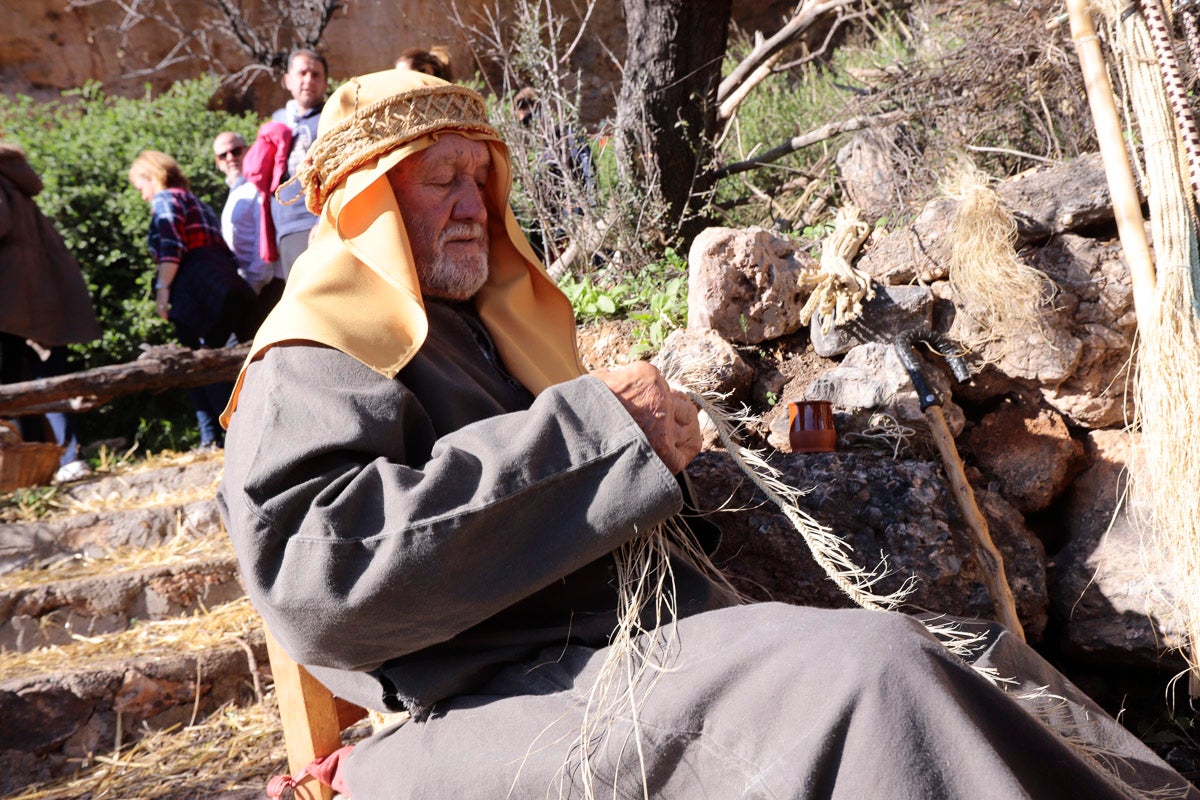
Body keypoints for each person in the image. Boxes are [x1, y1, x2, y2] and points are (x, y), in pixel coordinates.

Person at [216, 70, 1199, 799]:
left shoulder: (484, 331)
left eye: (484, 177)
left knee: (977, 652)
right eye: (443, 183)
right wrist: (603, 434)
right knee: (867, 676)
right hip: (501, 701)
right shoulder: (316, 358)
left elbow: (574, 496)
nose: (477, 205)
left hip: (642, 647)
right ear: (369, 204)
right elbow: (318, 579)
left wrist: (685, 450)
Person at [128, 150, 256, 450]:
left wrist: (162, 290)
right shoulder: (195, 200)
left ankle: (220, 437)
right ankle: (224, 433)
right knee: (227, 358)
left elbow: (172, 247)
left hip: (194, 290)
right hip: (225, 285)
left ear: (151, 176)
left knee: (198, 363)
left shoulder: (164, 199)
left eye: (140, 187)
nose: (144, 197)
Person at [0, 143, 101, 483]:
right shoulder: (18, 184)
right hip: (41, 299)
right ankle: (58, 459)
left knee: (15, 386)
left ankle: (46, 460)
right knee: (44, 380)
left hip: (10, 304)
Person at [213, 130, 285, 326]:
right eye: (223, 155)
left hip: (264, 286)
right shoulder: (236, 192)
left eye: (236, 151)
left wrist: (254, 284)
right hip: (249, 284)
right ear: (217, 162)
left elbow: (263, 237)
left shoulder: (256, 186)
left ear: (247, 151)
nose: (230, 158)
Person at [270, 48, 328, 278]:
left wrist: (321, 221)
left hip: (310, 224)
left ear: (325, 83)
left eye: (316, 75)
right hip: (283, 226)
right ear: (288, 80)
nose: (308, 80)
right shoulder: (278, 120)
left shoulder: (330, 118)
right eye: (302, 73)